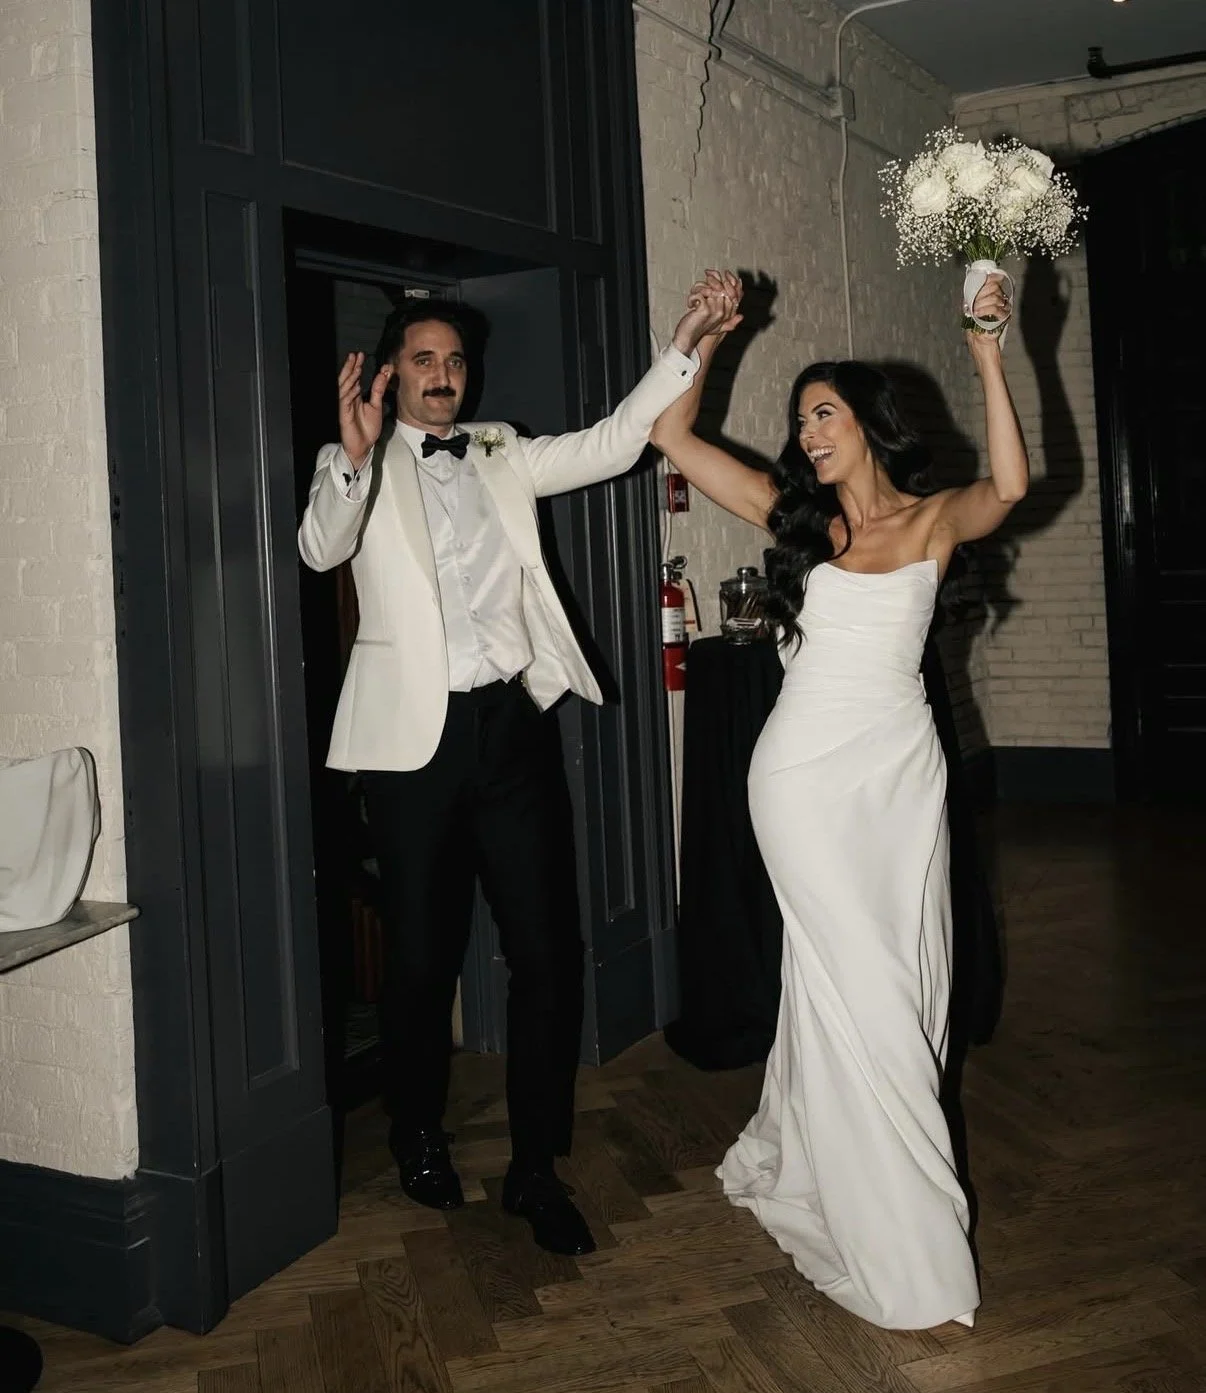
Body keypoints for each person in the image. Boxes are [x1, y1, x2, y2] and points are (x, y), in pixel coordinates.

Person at [298, 286, 728, 1257]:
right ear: (391, 372)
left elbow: (616, 441)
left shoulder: (500, 449)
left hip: (511, 731)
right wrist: (354, 458)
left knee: (546, 954)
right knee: (421, 960)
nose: (443, 374)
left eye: (454, 360)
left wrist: (685, 345)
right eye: (423, 359)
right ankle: (416, 1131)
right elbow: (320, 547)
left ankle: (536, 1167)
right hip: (412, 750)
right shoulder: (352, 463)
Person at [650, 269, 1027, 1328]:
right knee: (858, 981)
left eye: (823, 414)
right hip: (802, 782)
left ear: (867, 421)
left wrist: (988, 353)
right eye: (801, 420)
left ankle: (832, 1154)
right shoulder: (796, 520)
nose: (808, 435)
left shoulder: (934, 521)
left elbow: (1008, 484)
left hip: (900, 780)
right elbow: (672, 436)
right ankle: (903, 1233)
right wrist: (702, 336)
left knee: (900, 982)